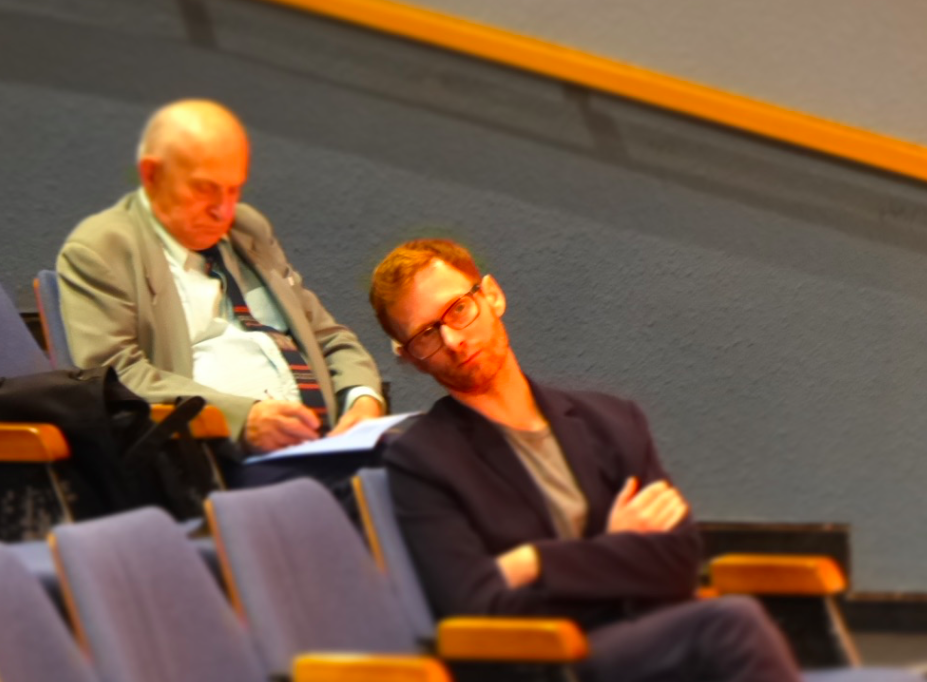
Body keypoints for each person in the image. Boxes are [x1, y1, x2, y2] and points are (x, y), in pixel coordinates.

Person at [369, 239, 801, 682]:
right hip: (547, 666)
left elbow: (678, 561)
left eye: (458, 309)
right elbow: (477, 607)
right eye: (426, 335)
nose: (453, 340)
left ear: (492, 296)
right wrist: (616, 550)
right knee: (732, 623)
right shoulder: (422, 460)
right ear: (409, 358)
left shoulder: (610, 421)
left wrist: (535, 563)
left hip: (649, 639)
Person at [57, 100, 383, 486]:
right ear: (152, 174)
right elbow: (117, 380)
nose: (223, 210)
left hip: (327, 444)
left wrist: (362, 398)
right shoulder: (102, 249)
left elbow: (328, 337)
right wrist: (241, 419)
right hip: (213, 464)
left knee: (418, 460)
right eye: (205, 189)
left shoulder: (248, 229)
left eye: (234, 190)